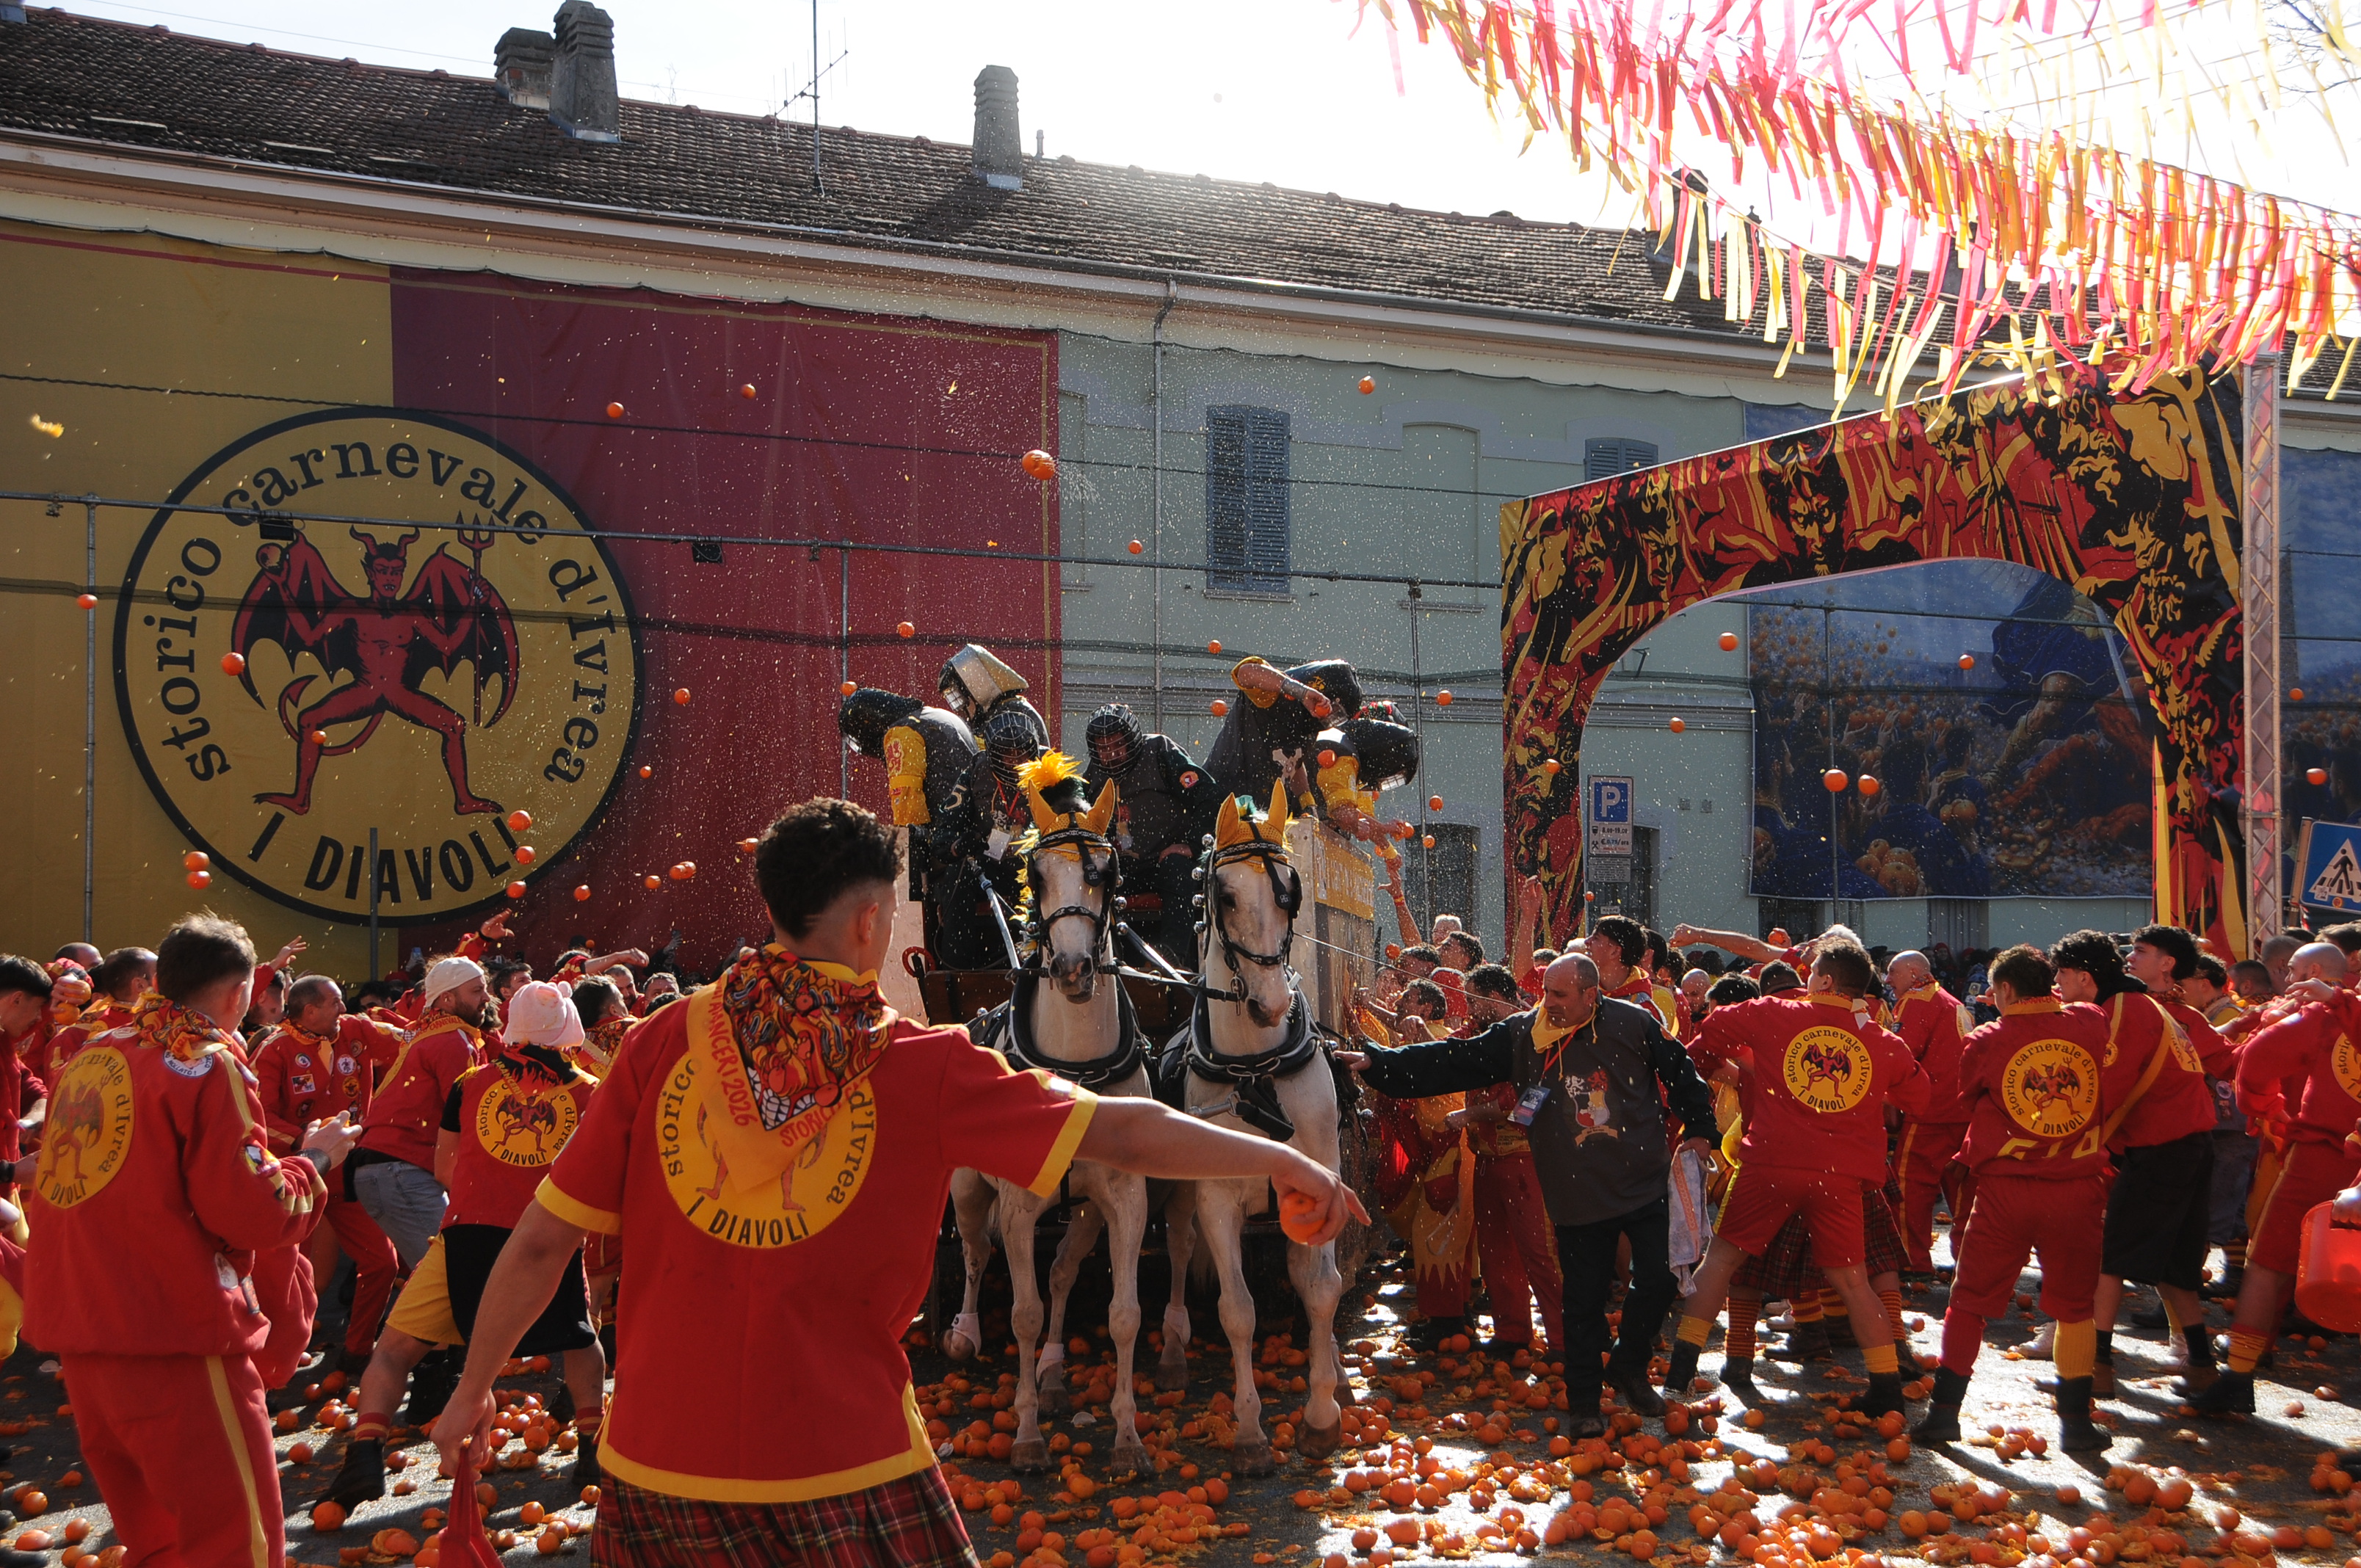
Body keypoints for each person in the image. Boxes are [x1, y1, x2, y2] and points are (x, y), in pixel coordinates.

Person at [429, 797, 1363, 1567]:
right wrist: (1284, 1158)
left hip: (654, 1471)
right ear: (872, 921)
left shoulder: (655, 1044)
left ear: (771, 903)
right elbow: (1124, 1127)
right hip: (849, 1467)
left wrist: (472, 1389)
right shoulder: (922, 1066)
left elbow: (542, 1242)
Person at [23, 917, 347, 1568]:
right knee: (234, 1545)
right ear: (240, 993)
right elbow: (254, 1212)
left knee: (158, 1546)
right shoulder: (207, 1062)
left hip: (81, 1328)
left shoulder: (94, 1051)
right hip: (173, 1333)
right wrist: (316, 1159)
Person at [1345, 953, 1718, 1435]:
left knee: (1663, 1277)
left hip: (1642, 1182)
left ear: (1591, 995)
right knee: (1582, 1302)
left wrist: (1702, 1129)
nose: (1549, 1003)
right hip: (1575, 1192)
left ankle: (1629, 1363)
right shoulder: (1524, 1033)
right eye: (1546, 993)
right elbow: (1456, 1061)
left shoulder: (1636, 1023)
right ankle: (1584, 1405)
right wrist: (1379, 1062)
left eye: (1560, 995)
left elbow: (1682, 1072)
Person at [327, 981, 604, 1508]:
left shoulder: (471, 1082)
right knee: (580, 1341)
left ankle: (363, 1455)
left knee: (394, 1351)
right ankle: (590, 1448)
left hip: (466, 1235)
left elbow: (443, 1168)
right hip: (547, 1237)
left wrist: (484, 1193)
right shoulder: (589, 1091)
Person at [1668, 938, 1927, 1418]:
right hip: (1841, 1175)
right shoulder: (1881, 1041)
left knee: (1721, 1262)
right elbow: (1921, 1098)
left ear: (1825, 980)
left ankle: (1680, 1373)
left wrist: (1729, 1065)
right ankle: (1886, 1388)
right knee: (1854, 1283)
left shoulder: (1773, 1013)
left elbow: (1705, 1039)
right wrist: (1869, 1090)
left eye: (1812, 974)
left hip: (1770, 1163)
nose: (1806, 981)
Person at [1912, 943, 2117, 1450]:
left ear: (2004, 990)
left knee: (1970, 1301)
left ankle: (1944, 1414)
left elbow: (1967, 1095)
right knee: (2076, 1307)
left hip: (2006, 1189)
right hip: (2077, 1188)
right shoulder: (2090, 1023)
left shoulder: (1987, 1040)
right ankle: (2076, 1423)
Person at [2055, 927, 2231, 1398]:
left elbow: (2109, 1084)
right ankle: (2201, 1367)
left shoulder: (2124, 1007)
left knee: (2109, 1258)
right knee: (2177, 1265)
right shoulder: (2148, 1005)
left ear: (2084, 977)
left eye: (2063, 974)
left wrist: (2060, 1136)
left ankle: (2095, 1366)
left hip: (2162, 1146)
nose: (2058, 984)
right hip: (2189, 1141)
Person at [2196, 940, 2361, 1415]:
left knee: (2269, 1263)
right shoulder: (2328, 1009)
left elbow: (2255, 1062)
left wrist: (2268, 1110)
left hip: (2317, 1155)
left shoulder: (2320, 1014)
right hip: (2324, 1152)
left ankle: (2240, 1374)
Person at [345, 954, 498, 1423]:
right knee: (451, 1277)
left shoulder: (433, 1033)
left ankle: (434, 1387)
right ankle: (430, 1393)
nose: (487, 998)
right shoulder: (453, 1039)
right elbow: (469, 1117)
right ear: (447, 999)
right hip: (400, 1172)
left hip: (389, 1171)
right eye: (477, 991)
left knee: (440, 1276)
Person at [251, 974, 407, 1372]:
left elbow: (411, 1042)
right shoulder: (275, 1050)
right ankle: (270, 1364)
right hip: (297, 1179)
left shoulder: (355, 1030)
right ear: (310, 1011)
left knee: (382, 1263)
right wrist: (307, 1141)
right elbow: (258, 1116)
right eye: (336, 1002)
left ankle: (357, 1351)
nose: (344, 1008)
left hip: (345, 1178)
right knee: (292, 1278)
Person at [1453, 965, 1567, 1353]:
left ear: (1494, 997)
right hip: (1486, 1158)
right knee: (1495, 1251)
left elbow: (1525, 1104)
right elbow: (1446, 1054)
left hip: (1527, 1160)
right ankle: (1511, 1333)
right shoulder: (1476, 1033)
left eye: (1473, 1000)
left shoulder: (1536, 1032)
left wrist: (1471, 1114)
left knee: (1541, 1252)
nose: (1468, 1009)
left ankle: (1565, 1340)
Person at [838, 685, 984, 966]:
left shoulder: (901, 731)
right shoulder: (939, 716)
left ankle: (922, 962)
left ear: (869, 724)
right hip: (973, 837)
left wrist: (904, 854)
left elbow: (907, 803)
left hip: (946, 845)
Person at [1080, 703, 1223, 966]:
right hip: (1124, 867)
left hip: (1165, 862)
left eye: (1118, 744)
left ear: (1132, 739)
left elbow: (1209, 797)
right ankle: (1103, 958)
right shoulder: (1094, 774)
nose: (1112, 754)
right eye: (1103, 748)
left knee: (1177, 868)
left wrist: (1192, 845)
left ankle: (1173, 959)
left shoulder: (1159, 752)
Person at [1883, 950, 1976, 1275]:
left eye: (1892, 972)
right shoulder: (1951, 1001)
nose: (1887, 980)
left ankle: (1912, 1261)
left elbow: (1900, 1054)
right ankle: (1970, 1265)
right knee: (1963, 1195)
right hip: (1964, 1111)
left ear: (1913, 973)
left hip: (1929, 1112)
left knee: (1909, 1190)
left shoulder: (1917, 1000)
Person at [1204, 656, 1360, 808]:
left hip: (1257, 811)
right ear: (1322, 693)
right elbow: (1245, 672)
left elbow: (1294, 761)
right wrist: (1301, 692)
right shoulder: (1274, 693)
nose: (1330, 720)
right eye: (1335, 712)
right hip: (1218, 799)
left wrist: (1307, 802)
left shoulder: (1308, 728)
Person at [937, 644, 1050, 751]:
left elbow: (1007, 760)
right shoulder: (1001, 710)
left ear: (975, 689)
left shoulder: (1011, 713)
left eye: (960, 698)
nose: (961, 708)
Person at [1585, 917, 1668, 1029]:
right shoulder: (1582, 992)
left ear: (1615, 952)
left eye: (1596, 938)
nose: (1587, 942)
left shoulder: (1645, 1009)